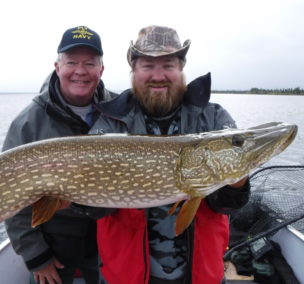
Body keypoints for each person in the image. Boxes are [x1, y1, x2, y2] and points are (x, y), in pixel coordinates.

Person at [88, 26, 251, 284]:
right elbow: (96, 211)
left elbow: (226, 205)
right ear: (133, 70)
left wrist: (238, 181)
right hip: (128, 275)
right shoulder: (109, 124)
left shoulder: (214, 118)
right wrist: (75, 196)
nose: (158, 75)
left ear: (182, 68)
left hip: (200, 274)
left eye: (168, 65)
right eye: (147, 66)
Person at [3, 26, 117, 284]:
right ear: (57, 67)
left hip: (108, 234)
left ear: (101, 70)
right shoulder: (28, 123)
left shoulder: (120, 112)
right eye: (72, 62)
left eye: (89, 62)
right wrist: (36, 256)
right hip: (55, 238)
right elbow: (9, 196)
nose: (80, 70)